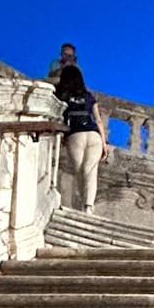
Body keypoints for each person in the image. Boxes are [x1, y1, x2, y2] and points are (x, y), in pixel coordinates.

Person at [48, 44, 106, 211]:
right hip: (94, 135)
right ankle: (88, 206)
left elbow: (59, 116)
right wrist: (104, 143)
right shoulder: (88, 96)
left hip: (76, 135)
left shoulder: (64, 96)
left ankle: (84, 205)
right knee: (91, 170)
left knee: (81, 171)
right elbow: (99, 120)